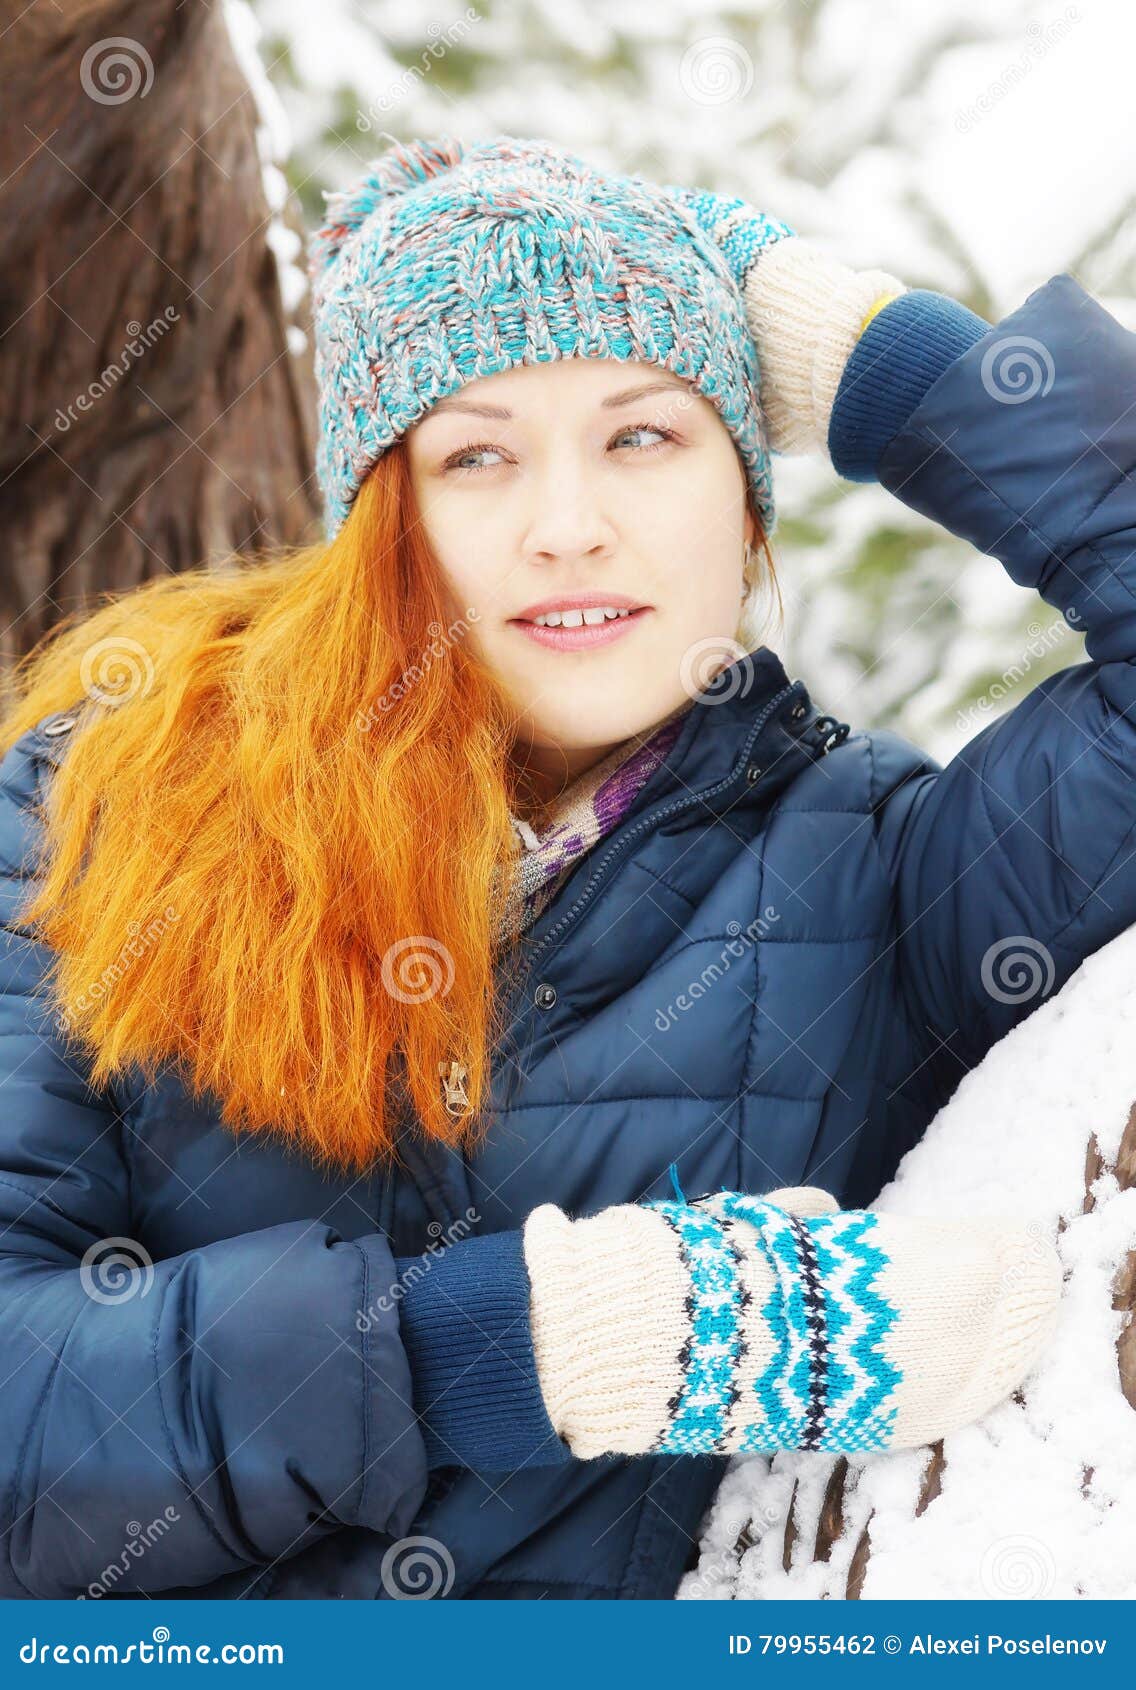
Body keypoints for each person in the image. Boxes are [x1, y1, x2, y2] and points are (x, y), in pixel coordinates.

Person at [0, 131, 1128, 1602]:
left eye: (645, 436)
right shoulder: (103, 807)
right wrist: (535, 1338)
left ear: (748, 500)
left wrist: (872, 360)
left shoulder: (884, 876)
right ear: (383, 530)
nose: (569, 526)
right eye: (477, 455)